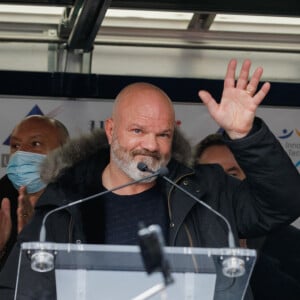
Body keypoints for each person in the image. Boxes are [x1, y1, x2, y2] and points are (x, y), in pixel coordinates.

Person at [0, 59, 300, 300]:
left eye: (163, 134)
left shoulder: (207, 191)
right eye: (137, 131)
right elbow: (17, 289)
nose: (151, 145)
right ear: (110, 129)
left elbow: (284, 204)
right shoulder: (63, 203)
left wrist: (246, 136)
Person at [193, 133, 300, 299]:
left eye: (233, 174)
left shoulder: (290, 240)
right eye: (211, 177)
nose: (223, 185)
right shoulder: (185, 232)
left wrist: (252, 261)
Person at [0, 115, 69, 270]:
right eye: (15, 146)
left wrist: (34, 242)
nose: (21, 153)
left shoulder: (83, 204)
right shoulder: (2, 198)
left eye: (35, 143)